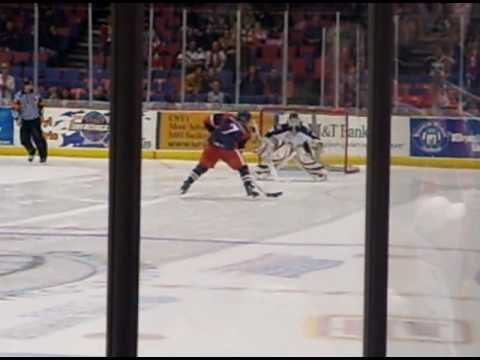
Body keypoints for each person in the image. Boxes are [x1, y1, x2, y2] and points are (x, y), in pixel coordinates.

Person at [180, 111, 260, 198]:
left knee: (202, 167)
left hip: (213, 145)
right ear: (247, 120)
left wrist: (214, 132)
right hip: (228, 150)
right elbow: (240, 149)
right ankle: (248, 186)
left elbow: (207, 120)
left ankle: (187, 182)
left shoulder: (226, 116)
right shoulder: (246, 132)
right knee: (242, 168)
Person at [255, 113, 327, 181]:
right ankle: (262, 171)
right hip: (286, 146)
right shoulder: (280, 128)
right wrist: (266, 148)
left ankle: (319, 173)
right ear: (288, 121)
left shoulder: (305, 130)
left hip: (299, 147)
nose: (294, 124)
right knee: (279, 155)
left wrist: (316, 146)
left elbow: (316, 140)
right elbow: (267, 137)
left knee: (304, 158)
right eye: (292, 121)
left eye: (295, 121)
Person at [12, 79, 48, 163]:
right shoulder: (18, 96)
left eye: (30, 85)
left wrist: (41, 116)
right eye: (27, 85)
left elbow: (40, 106)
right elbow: (14, 108)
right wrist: (17, 118)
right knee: (24, 140)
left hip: (35, 120)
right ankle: (31, 151)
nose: (29, 86)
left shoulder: (36, 95)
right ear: (24, 86)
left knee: (38, 138)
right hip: (25, 120)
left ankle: (43, 156)